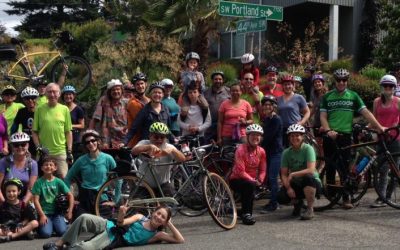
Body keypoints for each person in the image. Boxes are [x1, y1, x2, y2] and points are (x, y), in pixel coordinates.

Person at [320, 68, 384, 209]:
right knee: (330, 167)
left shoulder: (353, 96)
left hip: (345, 135)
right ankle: (331, 197)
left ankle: (346, 198)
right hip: (330, 135)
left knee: (345, 168)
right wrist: (328, 130)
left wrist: (379, 127)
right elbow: (323, 116)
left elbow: (366, 112)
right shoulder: (327, 97)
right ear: (335, 82)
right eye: (339, 80)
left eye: (344, 80)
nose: (341, 83)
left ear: (347, 81)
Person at [42, 205, 184, 250]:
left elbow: (180, 240)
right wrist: (121, 213)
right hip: (110, 225)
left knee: (84, 248)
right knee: (84, 217)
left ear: (163, 223)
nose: (158, 217)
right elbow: (121, 223)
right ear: (153, 212)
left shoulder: (157, 235)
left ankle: (72, 247)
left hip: (113, 237)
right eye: (158, 213)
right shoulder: (140, 217)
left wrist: (170, 223)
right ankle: (59, 244)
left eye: (163, 217)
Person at [64, 130, 116, 216]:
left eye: (93, 141)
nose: (91, 144)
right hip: (85, 198)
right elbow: (67, 178)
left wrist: (115, 200)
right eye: (87, 142)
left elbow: (119, 179)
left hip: (102, 197)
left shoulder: (108, 158)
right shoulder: (81, 160)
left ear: (98, 142)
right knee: (82, 223)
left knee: (104, 225)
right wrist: (71, 198)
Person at [277, 124, 321, 220]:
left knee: (308, 177)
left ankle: (310, 209)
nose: (294, 138)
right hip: (296, 181)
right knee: (281, 196)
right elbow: (283, 174)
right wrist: (288, 188)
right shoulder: (286, 152)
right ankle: (297, 203)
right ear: (289, 138)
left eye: (297, 135)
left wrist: (292, 174)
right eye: (292, 136)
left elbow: (311, 169)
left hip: (312, 182)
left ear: (302, 137)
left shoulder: (308, 148)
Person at [132, 122, 185, 197]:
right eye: (156, 137)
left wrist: (173, 151)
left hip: (163, 185)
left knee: (167, 207)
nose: (159, 140)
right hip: (143, 185)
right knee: (134, 207)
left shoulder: (169, 146)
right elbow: (134, 151)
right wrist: (148, 147)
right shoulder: (144, 142)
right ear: (150, 136)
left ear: (166, 138)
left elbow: (182, 159)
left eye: (162, 137)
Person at [32, 83, 73, 179]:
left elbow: (68, 132)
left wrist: (70, 151)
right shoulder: (39, 109)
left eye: (54, 92)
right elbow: (34, 131)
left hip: (60, 152)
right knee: (45, 180)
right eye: (49, 92)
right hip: (44, 152)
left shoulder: (64, 109)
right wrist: (38, 147)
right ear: (46, 94)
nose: (52, 94)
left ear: (59, 94)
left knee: (63, 179)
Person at [371, 74, 400, 208]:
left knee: (395, 169)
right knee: (382, 169)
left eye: (390, 86)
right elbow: (374, 119)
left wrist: (393, 126)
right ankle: (381, 196)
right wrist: (367, 128)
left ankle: (387, 196)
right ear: (382, 87)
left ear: (394, 88)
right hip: (381, 138)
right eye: (385, 85)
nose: (388, 88)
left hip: (395, 138)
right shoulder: (377, 101)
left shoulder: (398, 101)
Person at [229, 124, 266, 225]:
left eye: (258, 135)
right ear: (247, 136)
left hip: (251, 180)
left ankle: (242, 211)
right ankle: (247, 214)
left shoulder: (261, 151)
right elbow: (240, 172)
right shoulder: (240, 150)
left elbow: (263, 169)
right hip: (236, 179)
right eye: (253, 135)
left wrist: (260, 180)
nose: (255, 137)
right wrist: (254, 181)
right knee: (249, 185)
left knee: (251, 185)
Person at [32, 157, 74, 238]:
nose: (48, 167)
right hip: (45, 213)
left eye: (51, 165)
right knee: (46, 234)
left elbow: (70, 195)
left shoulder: (58, 181)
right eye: (46, 165)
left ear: (55, 168)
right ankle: (47, 226)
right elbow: (35, 200)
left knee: (62, 232)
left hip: (57, 213)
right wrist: (42, 215)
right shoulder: (38, 183)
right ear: (42, 168)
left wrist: (70, 211)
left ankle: (58, 225)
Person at [260, 96, 283, 212]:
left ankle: (274, 203)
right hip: (268, 152)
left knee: (273, 178)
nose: (267, 106)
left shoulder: (276, 119)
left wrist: (258, 144)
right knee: (270, 178)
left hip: (276, 152)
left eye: (270, 104)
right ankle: (273, 200)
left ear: (274, 107)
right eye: (265, 105)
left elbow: (268, 137)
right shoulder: (267, 119)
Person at [0, 132, 38, 204]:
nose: (20, 147)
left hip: (24, 202)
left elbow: (31, 188)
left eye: (23, 144)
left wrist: (22, 205)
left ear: (28, 145)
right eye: (16, 145)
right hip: (5, 201)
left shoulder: (32, 164)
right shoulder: (4, 162)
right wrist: (5, 203)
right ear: (12, 146)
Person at [0, 178, 38, 243]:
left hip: (20, 228)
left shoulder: (23, 205)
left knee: (35, 223)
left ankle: (13, 236)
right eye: (8, 191)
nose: (11, 193)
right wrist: (2, 226)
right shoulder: (3, 206)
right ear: (5, 192)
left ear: (19, 192)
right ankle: (22, 235)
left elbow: (28, 218)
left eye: (14, 191)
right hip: (7, 229)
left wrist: (22, 224)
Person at [277, 74, 310, 147]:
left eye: (289, 84)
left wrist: (302, 122)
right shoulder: (278, 99)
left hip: (295, 129)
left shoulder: (299, 97)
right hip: (283, 129)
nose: (287, 86)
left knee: (297, 148)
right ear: (282, 86)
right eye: (285, 84)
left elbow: (307, 112)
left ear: (293, 85)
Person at [99, 79, 129, 149]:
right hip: (111, 140)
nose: (116, 91)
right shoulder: (105, 105)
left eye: (118, 89)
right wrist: (105, 142)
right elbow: (104, 125)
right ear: (109, 92)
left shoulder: (127, 103)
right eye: (113, 90)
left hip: (125, 139)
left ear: (122, 91)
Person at [11, 87, 39, 157]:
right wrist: (12, 140)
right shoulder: (21, 112)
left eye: (33, 98)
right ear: (23, 100)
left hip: (39, 143)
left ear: (37, 98)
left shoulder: (41, 111)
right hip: (25, 144)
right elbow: (14, 128)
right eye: (27, 98)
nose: (30, 100)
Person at [180, 52, 208, 120]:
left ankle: (204, 119)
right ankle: (183, 121)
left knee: (205, 105)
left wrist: (200, 81)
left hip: (198, 94)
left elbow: (203, 88)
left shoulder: (200, 74)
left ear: (197, 64)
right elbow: (185, 83)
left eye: (195, 62)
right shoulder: (184, 74)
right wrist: (190, 72)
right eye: (191, 62)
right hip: (187, 94)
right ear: (187, 63)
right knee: (184, 110)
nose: (193, 64)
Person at [204, 71, 231, 143]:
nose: (218, 81)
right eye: (216, 79)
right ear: (212, 80)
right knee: (210, 146)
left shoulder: (229, 91)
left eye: (220, 79)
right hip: (210, 124)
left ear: (223, 80)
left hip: (225, 123)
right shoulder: (206, 92)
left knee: (223, 145)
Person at [61, 85, 85, 155]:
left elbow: (82, 125)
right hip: (62, 138)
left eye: (70, 94)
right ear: (63, 96)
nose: (68, 96)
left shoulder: (78, 109)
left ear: (74, 96)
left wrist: (70, 126)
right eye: (66, 94)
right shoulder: (60, 108)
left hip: (75, 138)